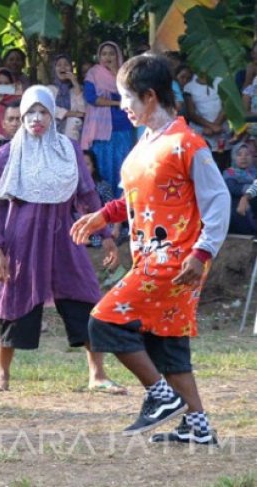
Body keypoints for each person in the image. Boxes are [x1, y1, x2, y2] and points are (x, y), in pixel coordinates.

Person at [71, 54, 230, 445]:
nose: (123, 106)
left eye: (127, 97)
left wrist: (203, 253)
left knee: (103, 321)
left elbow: (219, 200)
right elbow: (133, 197)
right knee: (166, 344)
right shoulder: (146, 142)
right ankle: (198, 427)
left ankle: (161, 398)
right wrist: (103, 216)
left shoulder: (187, 143)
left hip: (176, 258)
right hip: (153, 256)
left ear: (151, 97)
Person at [0, 85, 122, 394]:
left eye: (43, 111)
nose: (36, 118)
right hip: (21, 238)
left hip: (64, 235)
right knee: (13, 302)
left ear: (52, 115)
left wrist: (105, 233)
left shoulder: (69, 149)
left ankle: (97, 374)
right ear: (21, 117)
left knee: (83, 297)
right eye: (30, 112)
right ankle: (1, 375)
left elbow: (87, 192)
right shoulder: (7, 153)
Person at [81, 41, 134, 197]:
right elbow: (91, 98)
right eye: (104, 54)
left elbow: (130, 93)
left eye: (111, 53)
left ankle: (121, 206)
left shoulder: (125, 74)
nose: (107, 57)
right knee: (102, 165)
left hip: (122, 126)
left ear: (118, 55)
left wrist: (116, 73)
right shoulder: (94, 73)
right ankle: (103, 204)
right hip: (100, 130)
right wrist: (117, 102)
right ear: (99, 56)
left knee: (122, 164)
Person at [184, 72, 231, 168]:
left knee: (223, 163)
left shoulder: (221, 81)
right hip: (201, 134)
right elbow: (191, 114)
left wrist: (215, 125)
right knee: (203, 164)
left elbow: (227, 105)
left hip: (221, 133)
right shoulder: (189, 87)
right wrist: (211, 126)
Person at [48, 54, 86, 141]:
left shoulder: (76, 89)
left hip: (73, 133)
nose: (63, 67)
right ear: (54, 69)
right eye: (59, 65)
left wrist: (75, 83)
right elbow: (50, 109)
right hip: (52, 130)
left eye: (66, 64)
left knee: (74, 121)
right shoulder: (49, 89)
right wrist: (72, 113)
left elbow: (83, 110)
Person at [225, 143, 257, 235]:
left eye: (247, 154)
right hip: (237, 208)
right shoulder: (229, 173)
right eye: (239, 154)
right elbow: (233, 189)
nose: (244, 157)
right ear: (233, 157)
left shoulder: (254, 172)